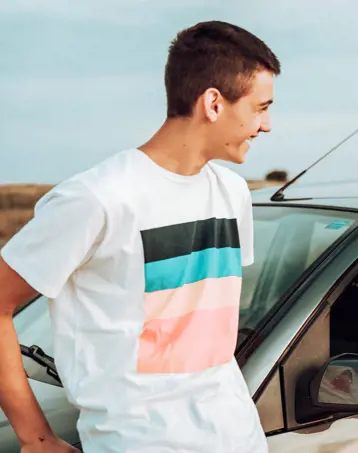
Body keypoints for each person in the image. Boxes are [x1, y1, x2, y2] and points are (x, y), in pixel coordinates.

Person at [0, 20, 280, 453]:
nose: (267, 125)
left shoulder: (233, 193)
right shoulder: (97, 197)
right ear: (213, 103)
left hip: (240, 439)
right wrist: (36, 439)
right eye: (261, 107)